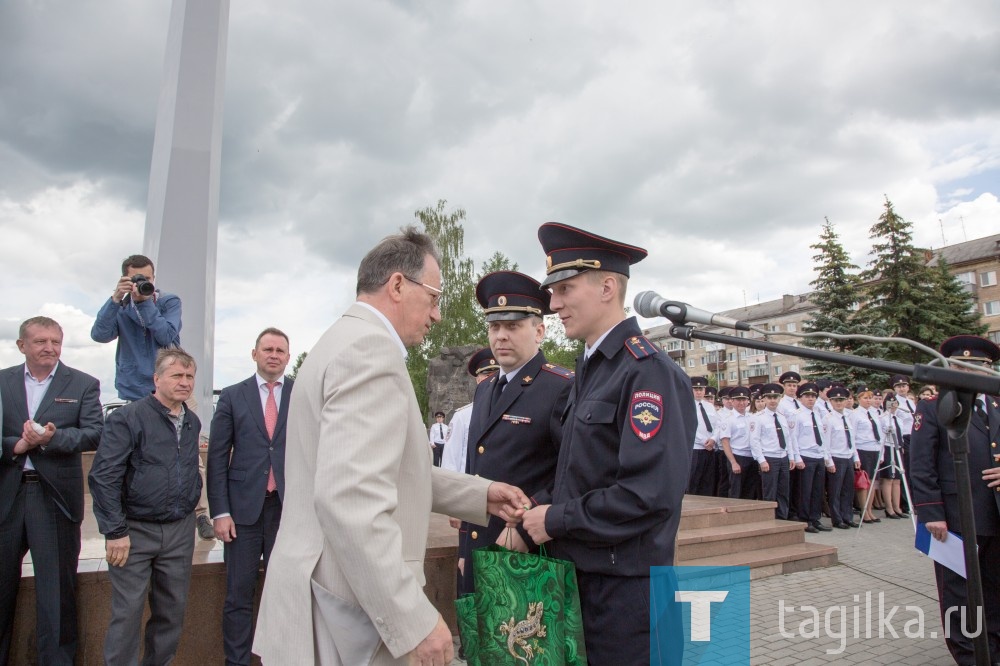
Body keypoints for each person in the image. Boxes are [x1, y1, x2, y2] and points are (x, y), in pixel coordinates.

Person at [252, 226, 530, 666]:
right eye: (434, 297)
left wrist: (479, 494)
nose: (437, 314)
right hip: (347, 612)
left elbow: (389, 469)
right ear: (398, 284)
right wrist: (412, 618)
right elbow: (351, 498)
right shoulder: (370, 352)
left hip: (327, 593)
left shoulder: (340, 340)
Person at [521, 222, 695, 665]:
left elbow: (648, 495)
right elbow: (583, 473)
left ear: (607, 287)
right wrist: (529, 509)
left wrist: (555, 520)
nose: (553, 304)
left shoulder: (646, 372)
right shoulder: (593, 368)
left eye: (564, 288)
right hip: (588, 581)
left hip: (628, 594)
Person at [458, 271, 572, 597]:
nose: (501, 337)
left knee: (518, 645)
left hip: (526, 550)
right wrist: (466, 548)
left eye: (512, 326)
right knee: (476, 644)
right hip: (480, 543)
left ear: (539, 331)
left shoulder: (561, 388)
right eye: (494, 327)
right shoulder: (485, 391)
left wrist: (522, 528)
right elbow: (474, 471)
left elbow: (573, 474)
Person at [88, 348, 203, 665]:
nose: (184, 382)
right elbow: (103, 476)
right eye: (177, 375)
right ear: (157, 379)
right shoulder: (128, 418)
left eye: (189, 376)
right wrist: (115, 530)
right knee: (127, 614)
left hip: (179, 531)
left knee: (171, 612)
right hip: (134, 532)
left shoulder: (191, 421)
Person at [0, 317, 103, 665]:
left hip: (54, 499)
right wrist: (15, 445)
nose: (50, 348)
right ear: (21, 345)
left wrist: (51, 438)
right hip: (7, 495)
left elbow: (93, 433)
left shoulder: (84, 384)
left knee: (56, 594)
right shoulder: (2, 382)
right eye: (41, 341)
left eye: (55, 342)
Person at [90, 254, 214, 540]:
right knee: (135, 455)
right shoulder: (119, 307)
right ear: (125, 278)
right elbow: (99, 335)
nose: (142, 283)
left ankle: (200, 513)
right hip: (136, 391)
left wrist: (145, 304)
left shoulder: (167, 301)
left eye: (147, 277)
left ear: (154, 276)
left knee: (190, 454)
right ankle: (130, 513)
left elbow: (167, 334)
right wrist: (115, 300)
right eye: (136, 279)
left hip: (173, 390)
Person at [910, 335, 1000, 665]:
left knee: (993, 589)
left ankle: (993, 650)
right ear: (953, 369)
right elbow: (920, 463)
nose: (977, 375)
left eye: (982, 369)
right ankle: (969, 655)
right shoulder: (935, 406)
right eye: (966, 368)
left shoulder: (996, 404)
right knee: (959, 594)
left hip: (994, 513)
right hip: (955, 515)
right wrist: (930, 512)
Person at [207, 328, 294, 666]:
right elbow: (216, 456)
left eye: (280, 350)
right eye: (268, 349)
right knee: (238, 596)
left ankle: (280, 658)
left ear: (288, 357)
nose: (274, 355)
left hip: (285, 511)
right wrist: (220, 512)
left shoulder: (301, 393)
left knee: (284, 595)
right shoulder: (232, 396)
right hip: (241, 513)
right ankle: (238, 661)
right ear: (254, 354)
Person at [440, 347, 498, 477]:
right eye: (487, 376)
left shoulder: (509, 412)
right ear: (477, 380)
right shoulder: (462, 416)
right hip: (470, 489)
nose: (492, 380)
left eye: (496, 375)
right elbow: (450, 462)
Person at [789, 382, 835, 532]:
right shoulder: (796, 415)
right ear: (800, 398)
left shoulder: (817, 413)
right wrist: (797, 458)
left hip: (818, 456)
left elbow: (823, 438)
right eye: (807, 396)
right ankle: (804, 519)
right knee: (805, 490)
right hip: (805, 455)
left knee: (817, 490)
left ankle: (815, 518)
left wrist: (826, 458)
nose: (811, 399)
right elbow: (793, 438)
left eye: (813, 396)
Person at [749, 383, 796, 520]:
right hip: (769, 458)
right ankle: (769, 520)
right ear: (764, 399)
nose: (772, 400)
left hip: (783, 457)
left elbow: (788, 439)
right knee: (769, 492)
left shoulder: (782, 417)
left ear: (779, 398)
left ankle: (782, 518)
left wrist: (791, 457)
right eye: (769, 397)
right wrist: (761, 460)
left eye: (775, 397)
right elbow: (754, 441)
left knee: (783, 491)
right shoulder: (758, 417)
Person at [824, 385, 861, 529]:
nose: (838, 403)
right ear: (830, 402)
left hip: (848, 457)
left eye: (841, 400)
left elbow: (852, 439)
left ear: (846, 401)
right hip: (836, 457)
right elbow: (825, 443)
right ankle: (837, 519)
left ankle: (847, 516)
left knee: (848, 490)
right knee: (835, 490)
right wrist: (829, 462)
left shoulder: (849, 417)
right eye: (835, 400)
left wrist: (856, 457)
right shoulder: (828, 419)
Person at [850, 385, 883, 524]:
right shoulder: (855, 414)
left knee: (874, 482)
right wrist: (855, 456)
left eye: (870, 397)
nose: (868, 400)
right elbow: (852, 436)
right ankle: (864, 511)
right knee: (864, 482)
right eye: (865, 398)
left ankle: (870, 510)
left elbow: (880, 434)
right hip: (863, 450)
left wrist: (882, 454)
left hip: (875, 449)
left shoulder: (875, 413)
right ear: (859, 399)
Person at [720, 386, 760, 500]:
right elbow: (725, 442)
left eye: (744, 400)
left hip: (752, 457)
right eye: (738, 400)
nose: (741, 403)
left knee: (750, 490)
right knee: (735, 491)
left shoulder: (752, 417)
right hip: (737, 457)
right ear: (732, 401)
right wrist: (733, 462)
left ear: (748, 401)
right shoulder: (728, 419)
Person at [688, 376, 718, 496]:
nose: (699, 392)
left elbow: (718, 426)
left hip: (710, 448)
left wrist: (713, 439)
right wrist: (704, 441)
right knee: (693, 481)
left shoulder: (709, 406)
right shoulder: (686, 406)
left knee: (708, 482)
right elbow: (689, 427)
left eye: (701, 389)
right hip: (695, 449)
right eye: (696, 389)